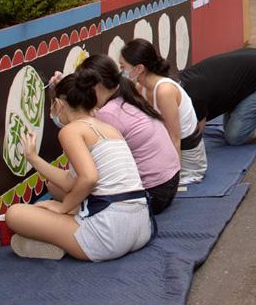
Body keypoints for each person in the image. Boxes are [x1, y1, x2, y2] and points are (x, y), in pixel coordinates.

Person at [5, 71, 152, 261]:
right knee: (55, 189)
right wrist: (33, 159)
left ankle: (64, 242)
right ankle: (62, 239)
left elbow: (89, 178)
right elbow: (69, 182)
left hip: (108, 235)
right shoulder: (108, 127)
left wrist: (63, 208)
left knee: (15, 214)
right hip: (141, 227)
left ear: (59, 104)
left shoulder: (70, 131)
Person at [75, 55, 181, 215]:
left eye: (81, 88)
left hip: (152, 194)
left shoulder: (107, 114)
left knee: (67, 185)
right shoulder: (127, 94)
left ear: (95, 86)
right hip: (169, 183)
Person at [120, 39, 208, 186]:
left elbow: (174, 138)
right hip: (164, 148)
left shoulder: (164, 91)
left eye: (123, 67)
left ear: (139, 68)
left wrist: (171, 179)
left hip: (186, 160)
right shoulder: (141, 87)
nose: (121, 72)